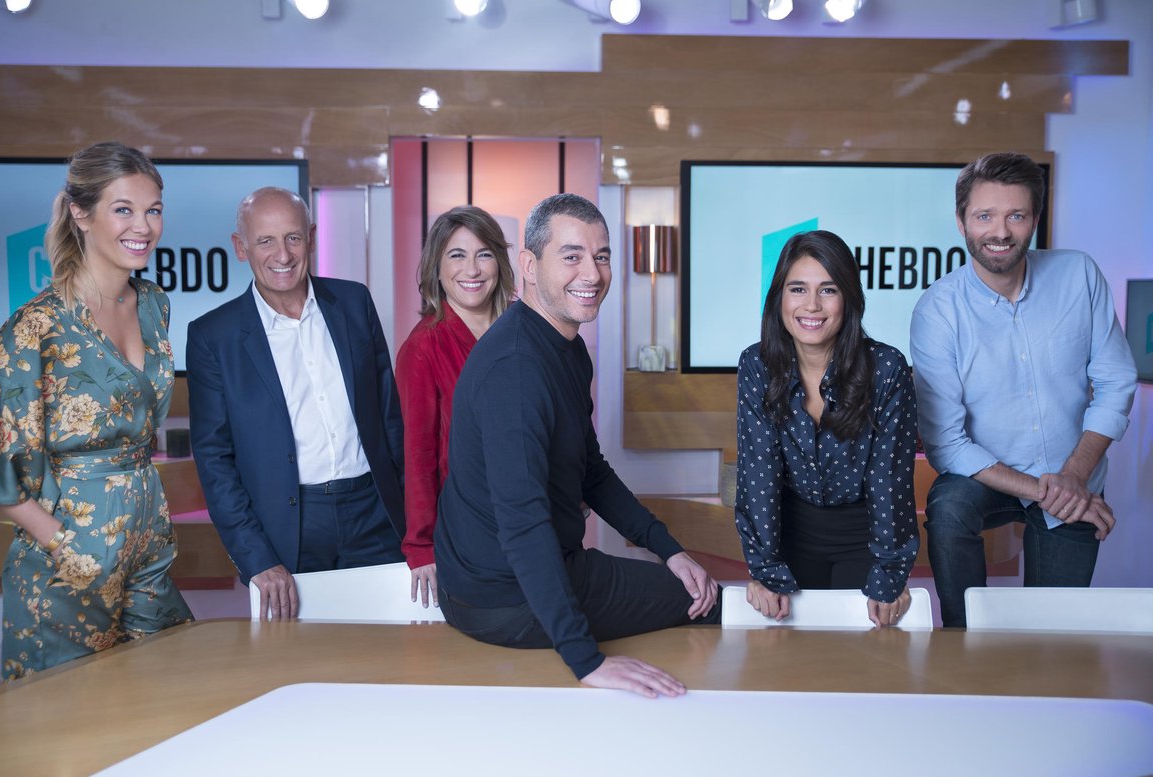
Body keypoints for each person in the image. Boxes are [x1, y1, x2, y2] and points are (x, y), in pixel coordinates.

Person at [434, 193, 720, 699]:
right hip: (502, 598)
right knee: (706, 602)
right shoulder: (516, 369)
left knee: (691, 585)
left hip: (516, 577)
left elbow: (592, 470)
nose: (592, 273)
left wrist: (668, 549)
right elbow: (522, 523)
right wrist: (586, 660)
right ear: (528, 266)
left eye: (601, 256)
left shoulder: (566, 349)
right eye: (571, 256)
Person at [0, 142, 193, 679]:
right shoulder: (37, 325)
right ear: (80, 214)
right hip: (67, 562)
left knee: (171, 695)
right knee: (71, 719)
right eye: (123, 209)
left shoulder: (154, 303)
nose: (144, 226)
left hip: (148, 547)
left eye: (153, 210)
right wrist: (62, 543)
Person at [910, 152, 1137, 628]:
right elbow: (945, 442)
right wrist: (1048, 490)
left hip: (1074, 473)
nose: (1000, 231)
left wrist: (1073, 478)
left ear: (1034, 219)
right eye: (984, 216)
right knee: (949, 507)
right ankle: (962, 640)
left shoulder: (1079, 275)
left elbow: (1116, 382)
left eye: (1016, 215)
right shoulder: (938, 310)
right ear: (961, 222)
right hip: (988, 476)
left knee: (1051, 638)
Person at [186, 187, 406, 620]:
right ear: (241, 248)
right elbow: (214, 461)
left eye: (292, 237)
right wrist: (256, 558)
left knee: (391, 646)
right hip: (289, 530)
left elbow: (390, 419)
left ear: (312, 238)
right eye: (265, 241)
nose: (282, 255)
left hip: (375, 513)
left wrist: (416, 527)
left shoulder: (355, 303)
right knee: (299, 655)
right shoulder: (214, 336)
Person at [735, 230, 919, 628]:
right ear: (779, 297)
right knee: (786, 655)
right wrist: (765, 568)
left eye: (828, 290)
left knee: (868, 655)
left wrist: (890, 572)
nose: (812, 305)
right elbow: (758, 471)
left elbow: (889, 478)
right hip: (789, 536)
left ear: (849, 298)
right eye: (798, 289)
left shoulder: (887, 368)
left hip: (864, 537)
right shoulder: (756, 365)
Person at [396, 206, 516, 608]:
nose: (472, 269)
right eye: (457, 255)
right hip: (471, 528)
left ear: (499, 262)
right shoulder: (422, 348)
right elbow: (418, 455)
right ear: (437, 266)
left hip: (534, 516)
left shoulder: (523, 329)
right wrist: (421, 546)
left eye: (484, 254)